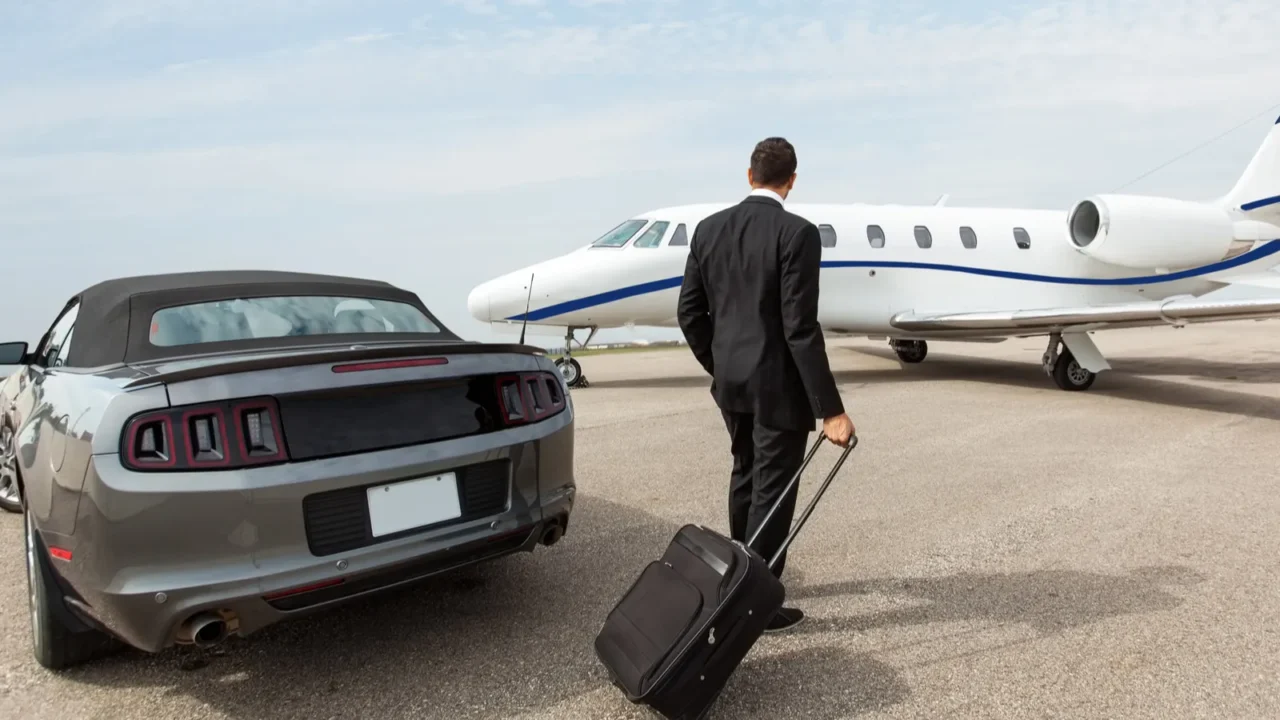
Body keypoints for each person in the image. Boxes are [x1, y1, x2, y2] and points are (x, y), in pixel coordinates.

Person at [677, 136, 855, 633]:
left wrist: (720, 364)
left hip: (731, 384)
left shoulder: (708, 230)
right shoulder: (797, 233)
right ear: (791, 180)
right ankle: (756, 604)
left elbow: (689, 312)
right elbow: (800, 326)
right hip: (778, 387)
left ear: (749, 175)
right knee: (773, 492)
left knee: (745, 476)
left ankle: (739, 578)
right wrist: (831, 410)